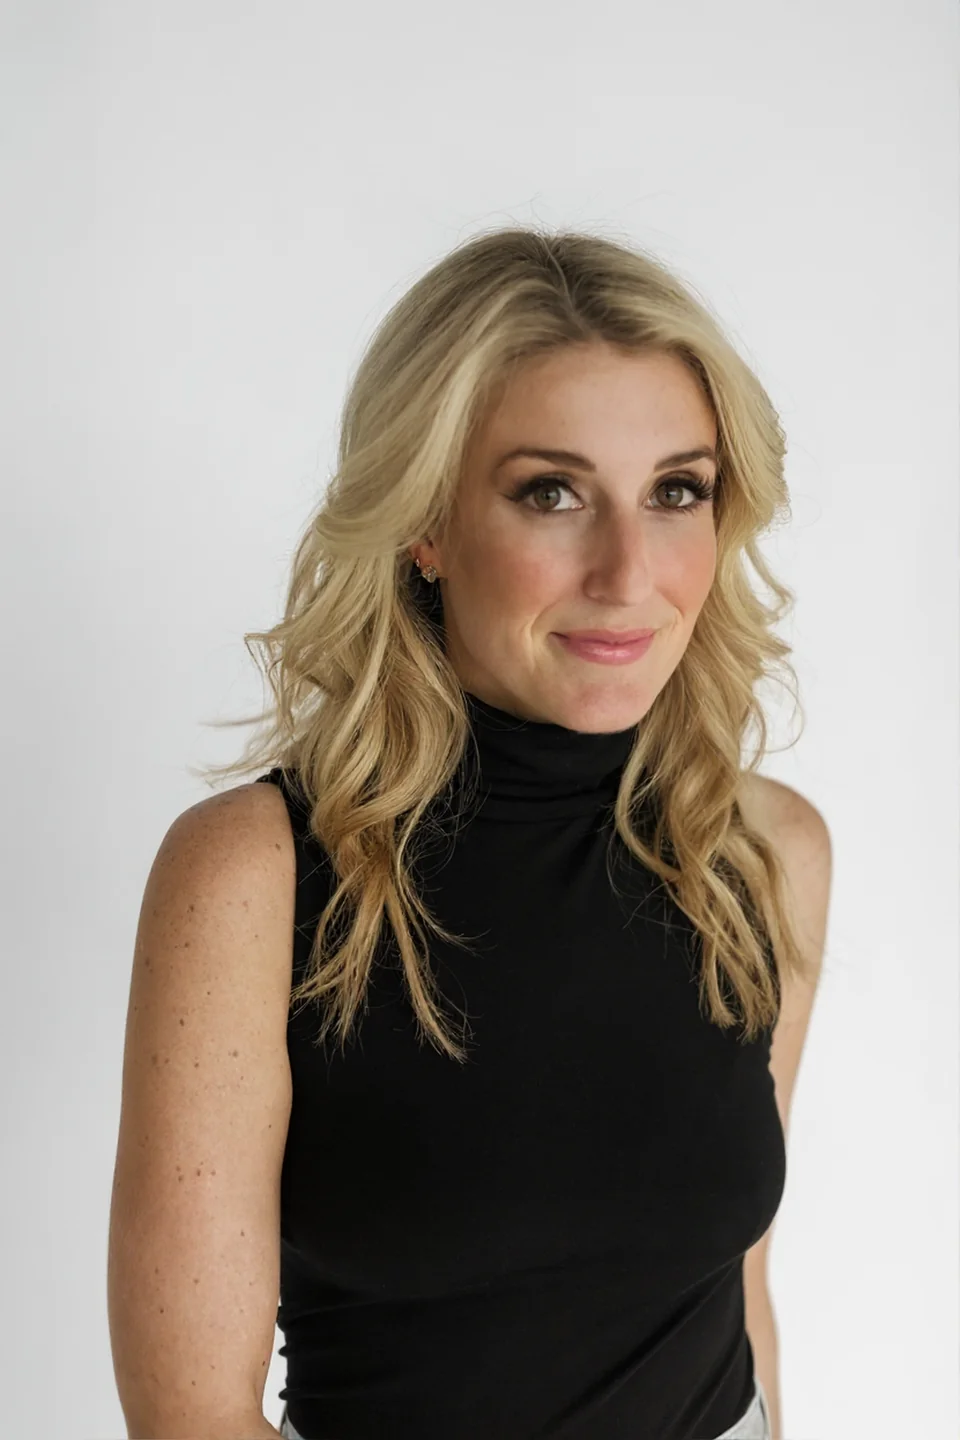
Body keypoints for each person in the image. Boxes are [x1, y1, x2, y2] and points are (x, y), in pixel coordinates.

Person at [107, 227, 831, 1440]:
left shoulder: (759, 854)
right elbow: (191, 1414)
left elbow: (736, 1290)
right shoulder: (256, 874)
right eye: (551, 492)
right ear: (425, 523)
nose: (627, 569)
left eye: (676, 491)